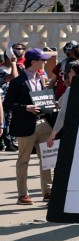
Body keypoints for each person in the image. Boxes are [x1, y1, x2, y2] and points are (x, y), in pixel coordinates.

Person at [7, 48, 56, 203]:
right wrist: (25, 108)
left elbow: (42, 99)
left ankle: (47, 191)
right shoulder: (17, 82)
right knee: (23, 160)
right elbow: (7, 104)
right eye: (43, 60)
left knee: (47, 159)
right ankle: (23, 194)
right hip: (25, 125)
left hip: (43, 123)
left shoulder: (41, 79)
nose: (45, 62)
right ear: (34, 62)